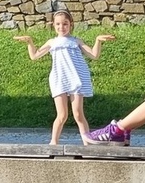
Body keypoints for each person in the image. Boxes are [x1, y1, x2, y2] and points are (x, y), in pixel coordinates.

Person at [14, 10, 115, 145]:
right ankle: (53, 142)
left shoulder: (76, 41)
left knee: (78, 114)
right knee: (62, 115)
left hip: (75, 79)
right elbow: (34, 56)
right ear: (53, 25)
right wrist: (29, 42)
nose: (61, 27)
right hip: (59, 79)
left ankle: (88, 142)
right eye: (58, 24)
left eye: (65, 24)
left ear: (71, 24)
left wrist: (98, 40)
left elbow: (94, 55)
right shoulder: (52, 42)